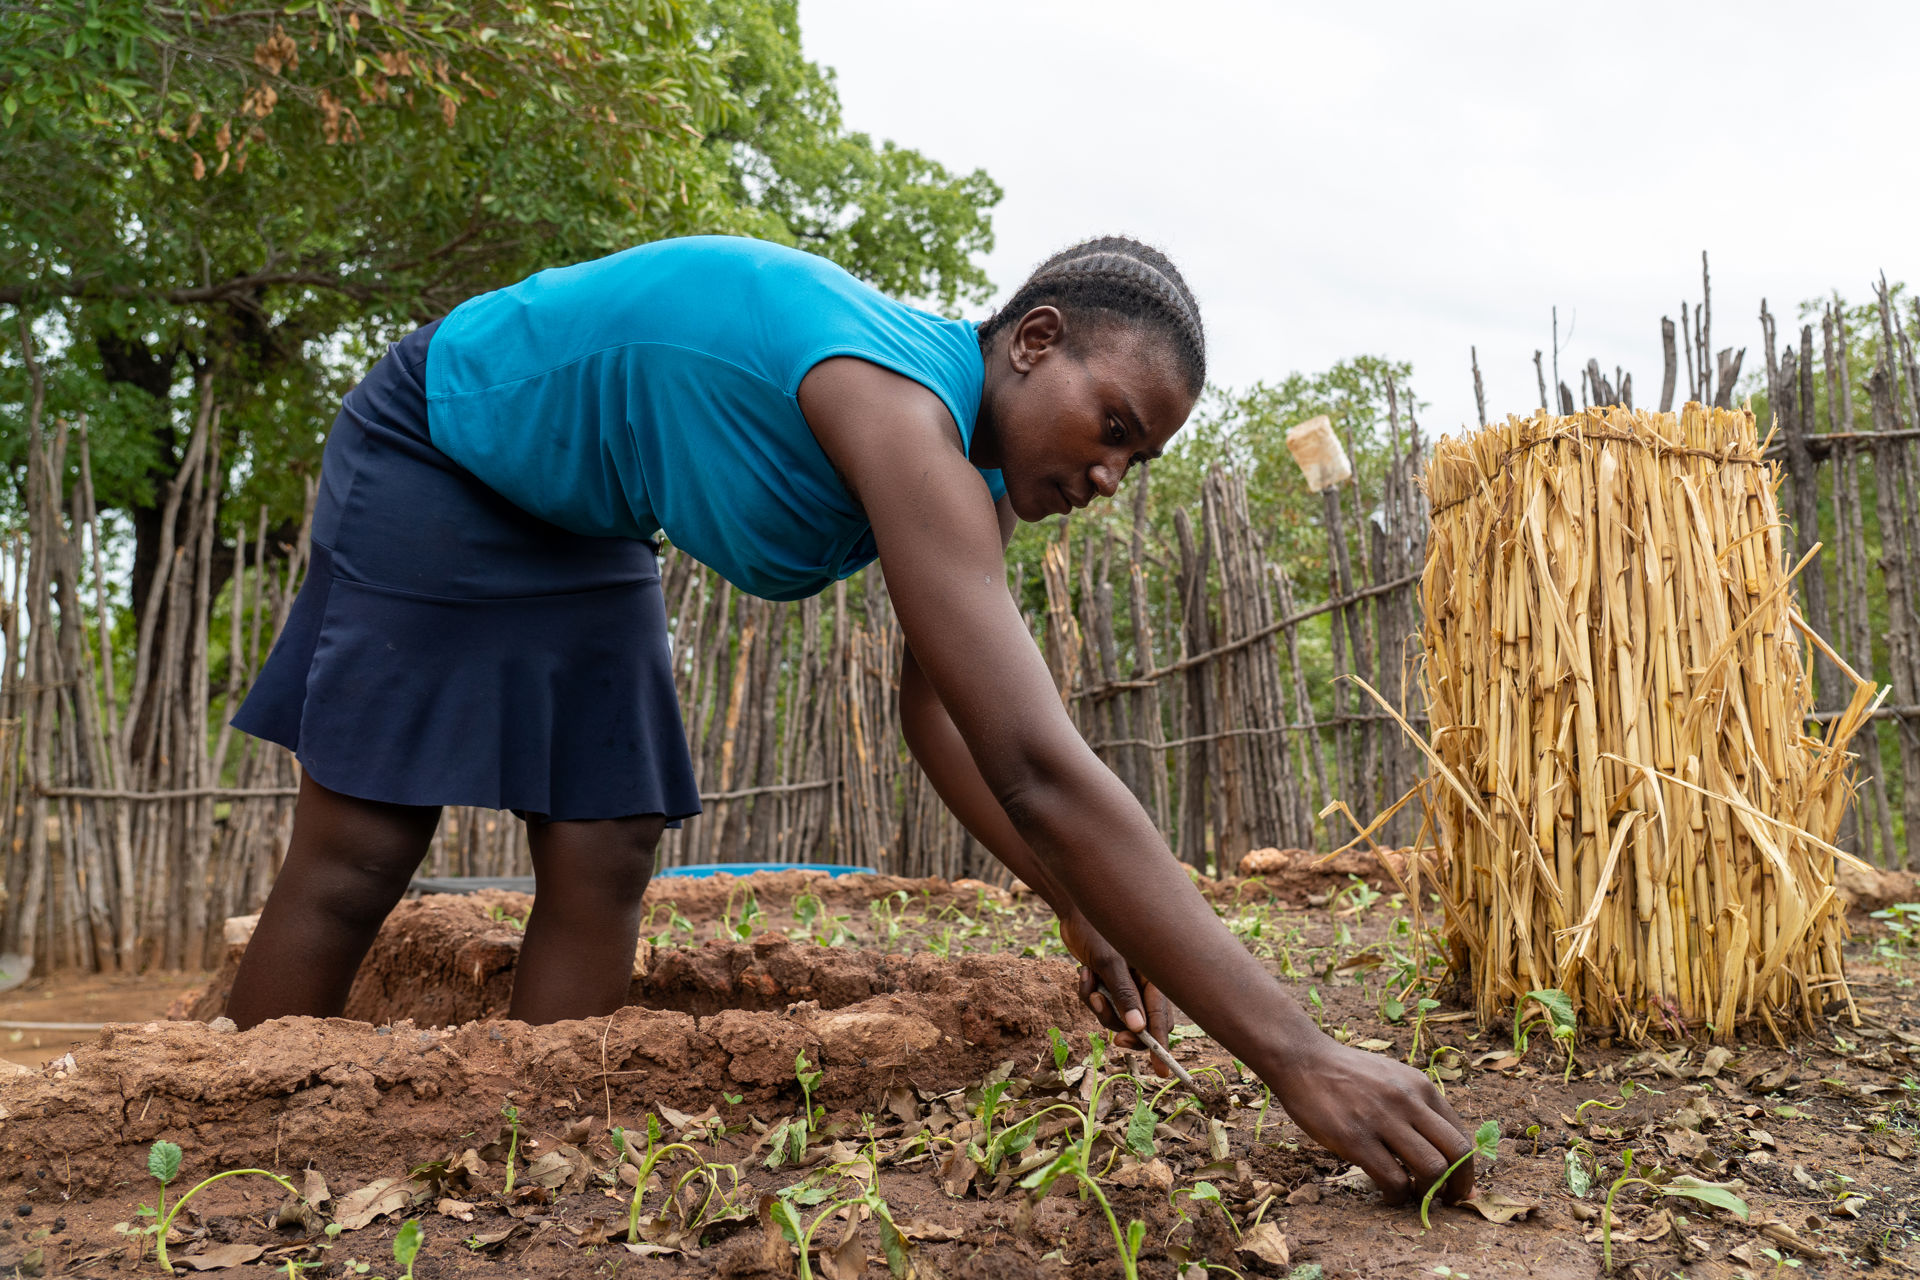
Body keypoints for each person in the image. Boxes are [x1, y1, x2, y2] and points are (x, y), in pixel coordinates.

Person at [223, 233, 1475, 1205]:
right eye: (1112, 429)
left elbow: (946, 713)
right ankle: (230, 1148)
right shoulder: (895, 410)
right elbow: (1042, 767)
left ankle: (543, 1150)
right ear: (1034, 339)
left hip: (581, 509)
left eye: (1134, 465)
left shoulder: (968, 484)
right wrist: (1298, 1053)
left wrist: (1078, 900)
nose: (1107, 479)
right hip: (449, 434)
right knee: (365, 844)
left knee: (607, 841)